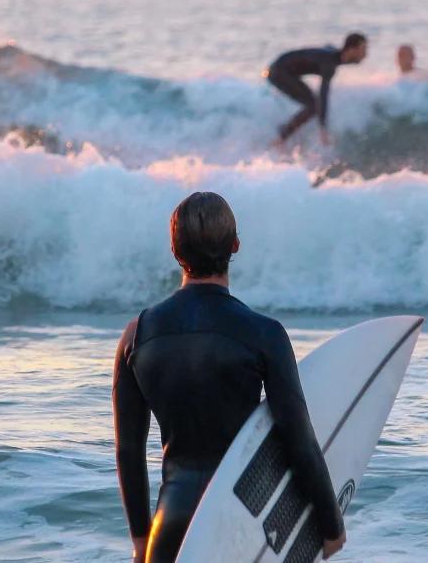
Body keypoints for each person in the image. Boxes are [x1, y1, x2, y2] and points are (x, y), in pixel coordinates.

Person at [112, 192, 347, 563]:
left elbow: (128, 451)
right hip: (239, 524)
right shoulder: (264, 334)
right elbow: (298, 438)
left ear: (175, 251)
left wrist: (142, 540)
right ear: (235, 245)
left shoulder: (136, 335)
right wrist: (331, 526)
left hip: (169, 529)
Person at [266, 33, 367, 146]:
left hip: (281, 70)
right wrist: (323, 128)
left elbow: (327, 47)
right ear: (352, 50)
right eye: (363, 49)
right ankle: (279, 140)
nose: (365, 55)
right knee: (313, 105)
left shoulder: (333, 55)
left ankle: (281, 133)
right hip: (278, 72)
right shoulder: (329, 63)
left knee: (312, 104)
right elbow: (323, 94)